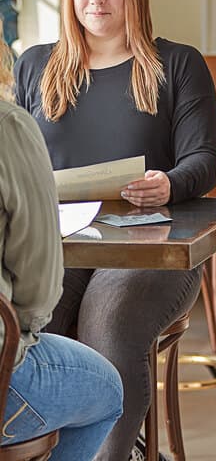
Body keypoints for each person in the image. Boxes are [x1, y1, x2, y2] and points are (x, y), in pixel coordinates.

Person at [14, 0, 216, 460]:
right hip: (60, 245)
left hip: (149, 248)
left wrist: (168, 183)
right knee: (30, 321)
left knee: (109, 317)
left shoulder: (177, 64)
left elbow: (204, 161)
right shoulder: (36, 65)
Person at [0, 23, 123, 459]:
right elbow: (37, 288)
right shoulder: (10, 126)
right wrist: (27, 333)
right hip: (3, 384)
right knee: (108, 390)